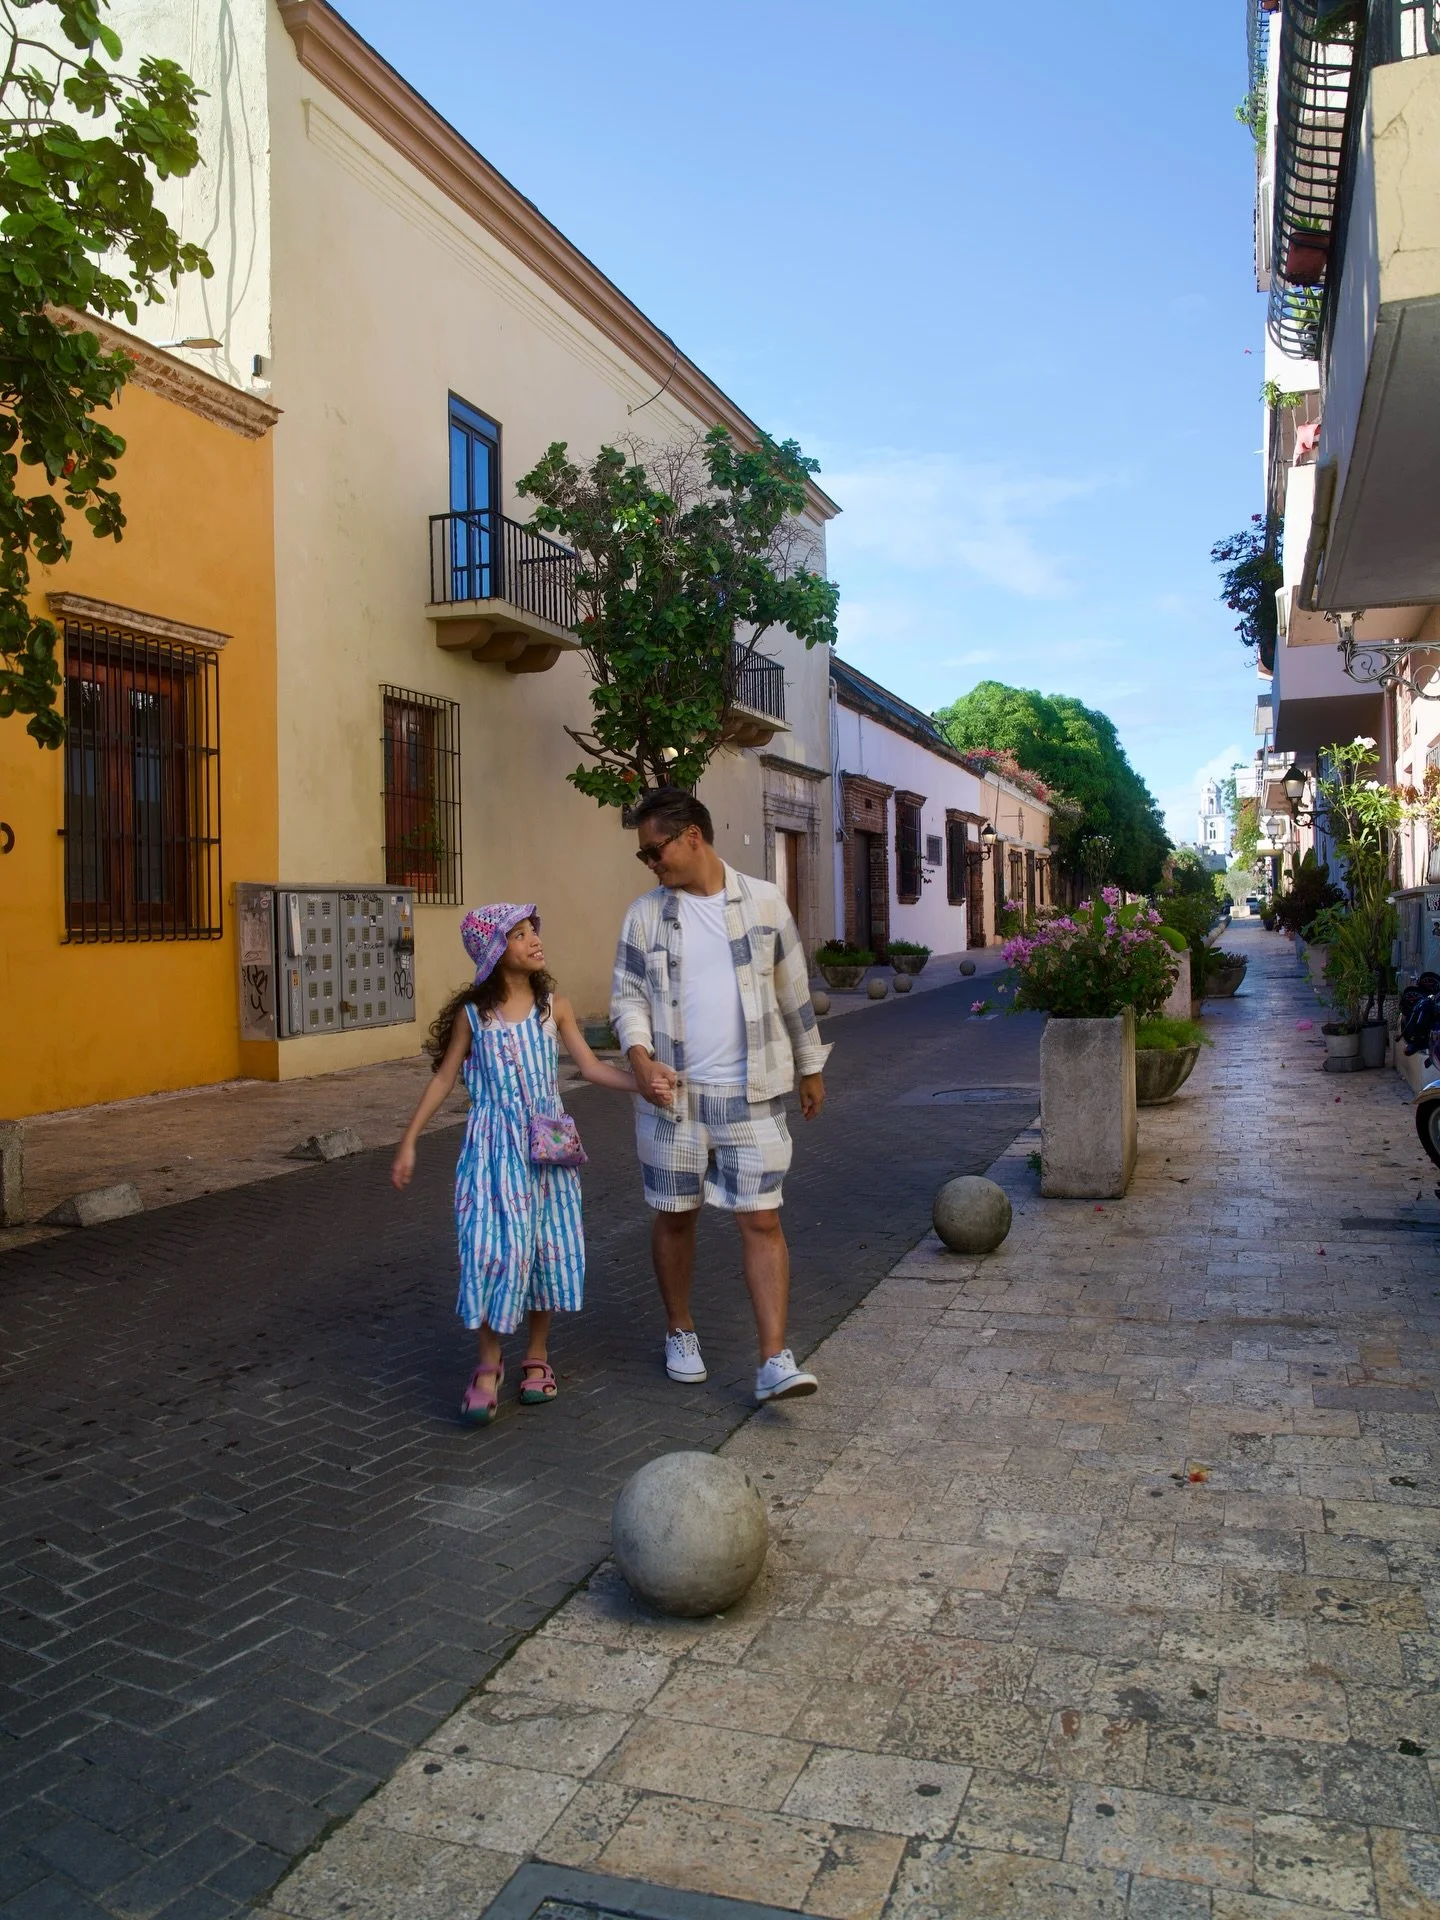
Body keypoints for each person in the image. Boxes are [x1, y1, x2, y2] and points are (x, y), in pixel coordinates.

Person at [611, 788, 830, 1404]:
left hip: (751, 1091)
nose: (650, 863)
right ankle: (680, 1330)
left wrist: (810, 1067)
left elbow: (794, 988)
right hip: (672, 1098)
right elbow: (627, 998)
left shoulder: (762, 902)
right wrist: (639, 1055)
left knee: (762, 1218)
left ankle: (773, 1359)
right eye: (644, 856)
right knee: (675, 1215)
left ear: (692, 837)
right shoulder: (644, 916)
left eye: (654, 850)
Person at [392, 904, 649, 1424]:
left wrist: (643, 1084)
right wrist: (409, 1141)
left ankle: (537, 1354)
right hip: (491, 1148)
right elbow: (444, 1078)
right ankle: (488, 1362)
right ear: (494, 952)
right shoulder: (474, 1016)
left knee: (545, 1247)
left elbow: (593, 1068)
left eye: (533, 930)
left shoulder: (555, 1007)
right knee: (489, 1249)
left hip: (548, 1145)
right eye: (520, 934)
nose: (535, 940)